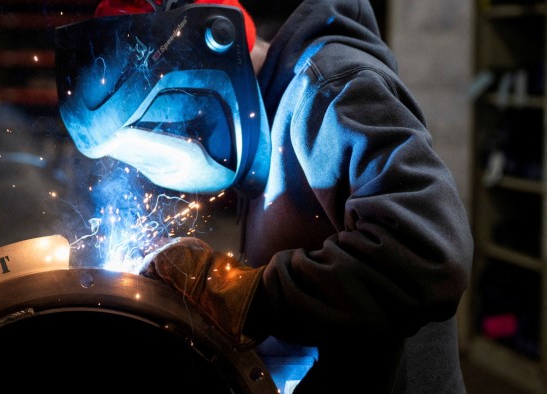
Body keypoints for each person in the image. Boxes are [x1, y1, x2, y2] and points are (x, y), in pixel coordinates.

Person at [56, 0, 474, 392]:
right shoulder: (267, 122)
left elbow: (428, 256)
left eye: (165, 122)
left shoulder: (328, 88)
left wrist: (245, 295)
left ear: (212, 45)